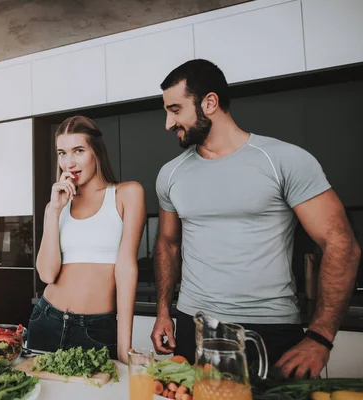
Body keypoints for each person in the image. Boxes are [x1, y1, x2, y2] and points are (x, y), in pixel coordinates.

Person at [150, 59, 361, 379]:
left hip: (270, 331)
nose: (168, 123)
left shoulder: (284, 160)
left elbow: (341, 243)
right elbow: (168, 244)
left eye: (176, 110)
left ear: (209, 103)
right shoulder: (171, 174)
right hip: (193, 326)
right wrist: (164, 310)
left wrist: (320, 337)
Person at [27, 115, 145, 363]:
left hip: (96, 329)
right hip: (46, 320)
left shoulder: (127, 194)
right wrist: (53, 210)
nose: (68, 163)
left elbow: (126, 270)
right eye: (62, 153)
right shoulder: (58, 205)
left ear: (96, 152)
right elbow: (47, 275)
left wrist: (125, 350)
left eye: (78, 151)